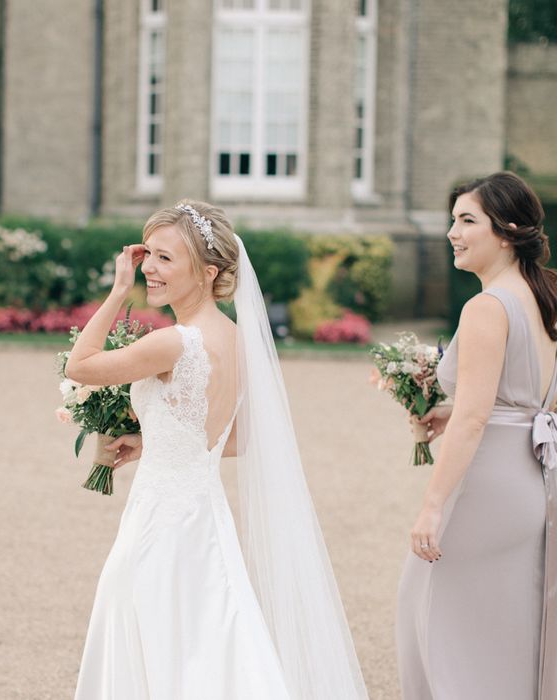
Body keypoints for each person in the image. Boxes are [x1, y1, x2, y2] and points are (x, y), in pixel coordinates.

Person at [66, 201, 367, 699]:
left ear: (207, 272)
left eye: (165, 258)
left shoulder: (174, 343)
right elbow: (243, 436)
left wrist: (119, 290)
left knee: (157, 641)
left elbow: (81, 365)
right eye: (147, 256)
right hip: (205, 517)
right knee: (207, 644)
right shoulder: (235, 339)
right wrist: (155, 440)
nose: (148, 269)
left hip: (162, 521)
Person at [396, 171, 557, 699]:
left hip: (485, 489)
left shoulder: (487, 307)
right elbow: (528, 401)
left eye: (467, 221)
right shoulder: (543, 297)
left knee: (439, 626)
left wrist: (433, 505)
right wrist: (452, 413)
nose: (452, 232)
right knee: (506, 635)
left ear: (507, 232)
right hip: (531, 483)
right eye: (452, 220)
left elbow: (473, 418)